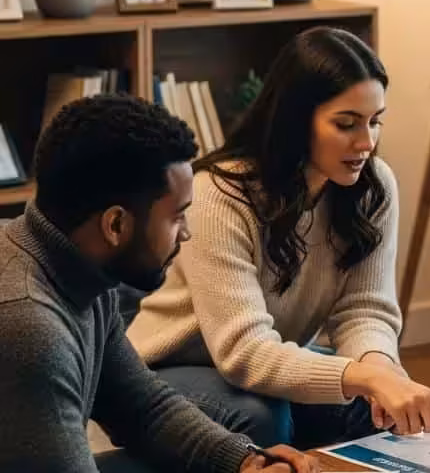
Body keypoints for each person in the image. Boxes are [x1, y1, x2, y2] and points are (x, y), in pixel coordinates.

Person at [127, 26, 430, 449]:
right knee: (261, 417)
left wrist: (380, 370)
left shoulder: (374, 187)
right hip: (166, 370)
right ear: (296, 120)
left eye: (375, 121)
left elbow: (365, 310)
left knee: (372, 406)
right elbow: (244, 352)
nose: (366, 142)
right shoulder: (217, 194)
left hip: (262, 358)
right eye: (346, 124)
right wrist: (365, 378)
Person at [0, 94, 315, 472]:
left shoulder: (82, 269)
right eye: (177, 217)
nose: (186, 233)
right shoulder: (30, 328)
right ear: (116, 224)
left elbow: (142, 406)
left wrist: (245, 462)